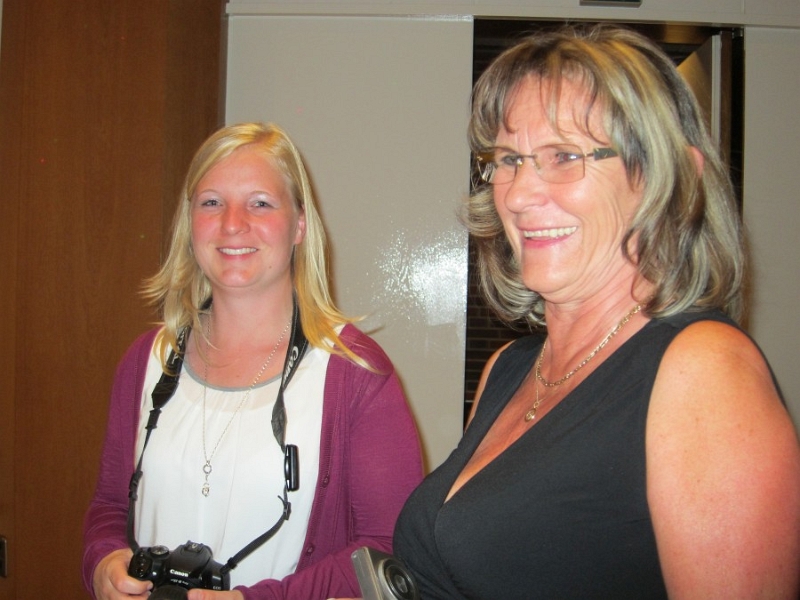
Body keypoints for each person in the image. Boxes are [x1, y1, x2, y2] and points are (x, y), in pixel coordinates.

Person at [384, 24, 799, 599]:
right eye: (509, 159)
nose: (518, 194)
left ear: (666, 178)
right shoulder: (509, 368)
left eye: (563, 156)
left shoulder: (705, 371)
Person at [82, 122, 424, 600]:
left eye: (260, 203)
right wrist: (102, 562)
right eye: (211, 203)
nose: (232, 223)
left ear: (299, 225)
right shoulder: (147, 360)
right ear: (189, 224)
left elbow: (388, 551)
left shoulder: (355, 373)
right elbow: (109, 506)